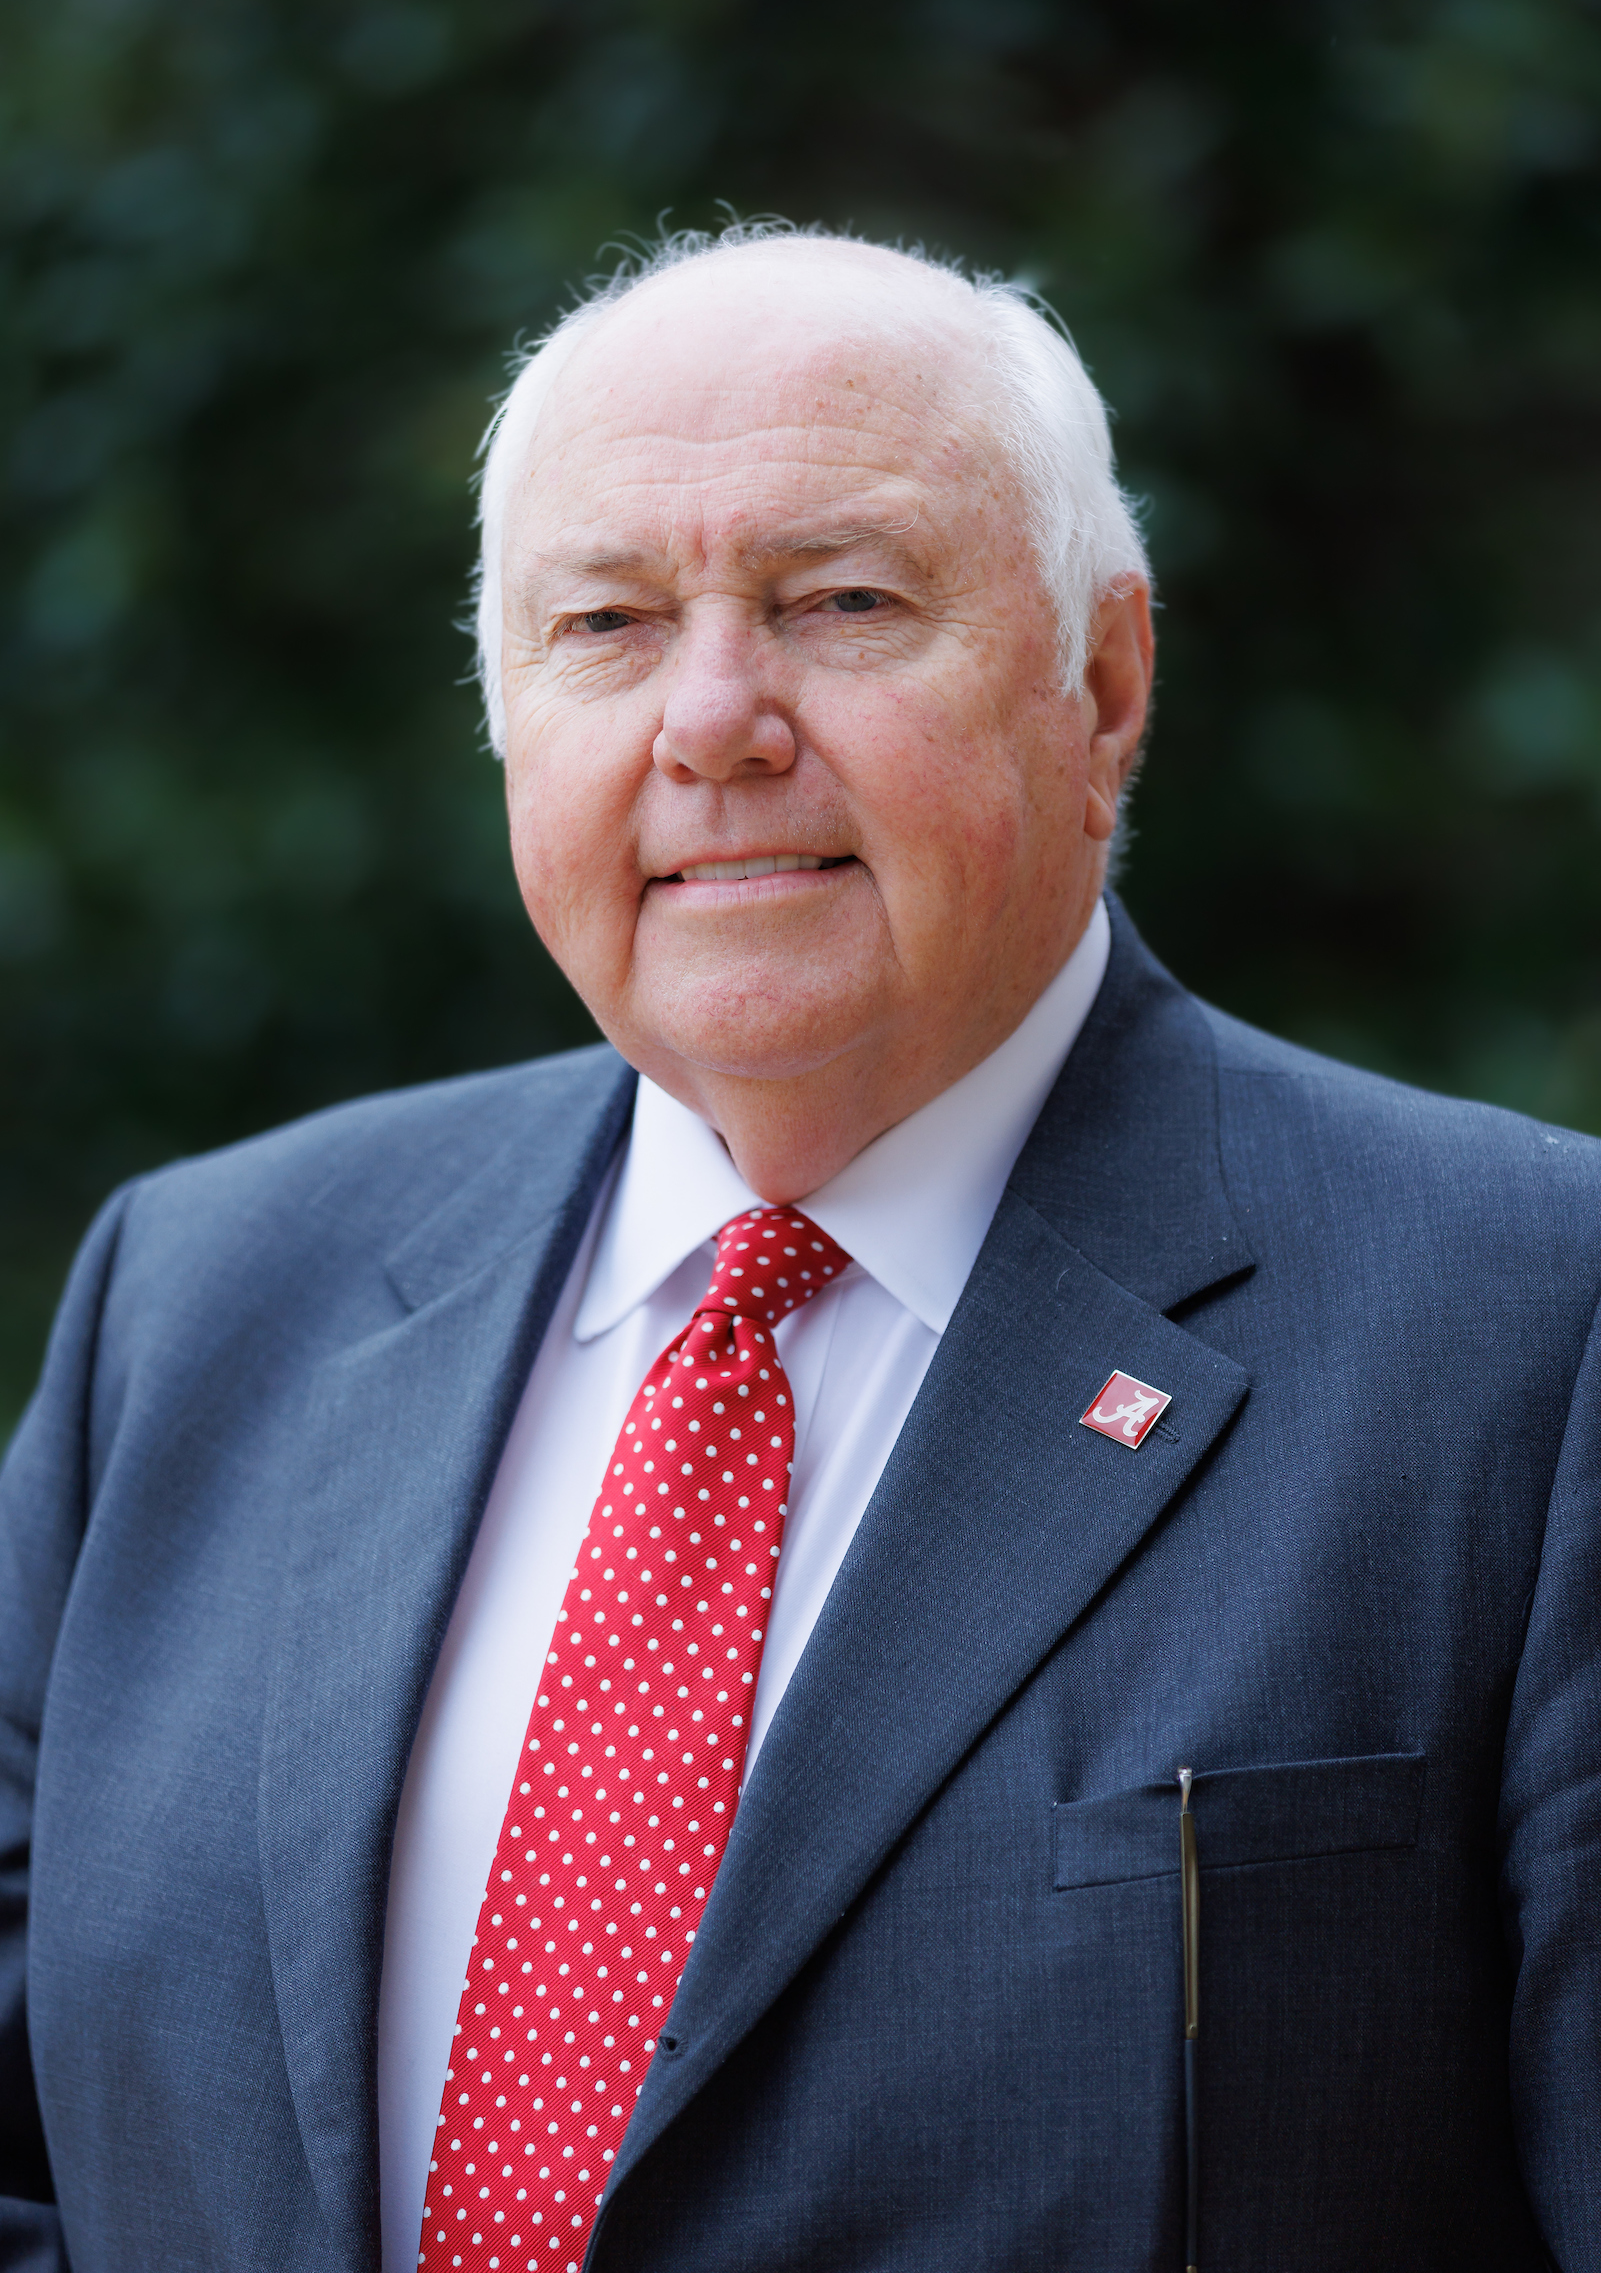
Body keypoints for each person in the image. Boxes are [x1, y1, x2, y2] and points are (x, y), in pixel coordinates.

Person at [2, 226, 1598, 2273]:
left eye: (842, 603)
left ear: (1102, 686)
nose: (716, 721)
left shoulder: (1534, 1330)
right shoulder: (201, 1299)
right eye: (605, 622)